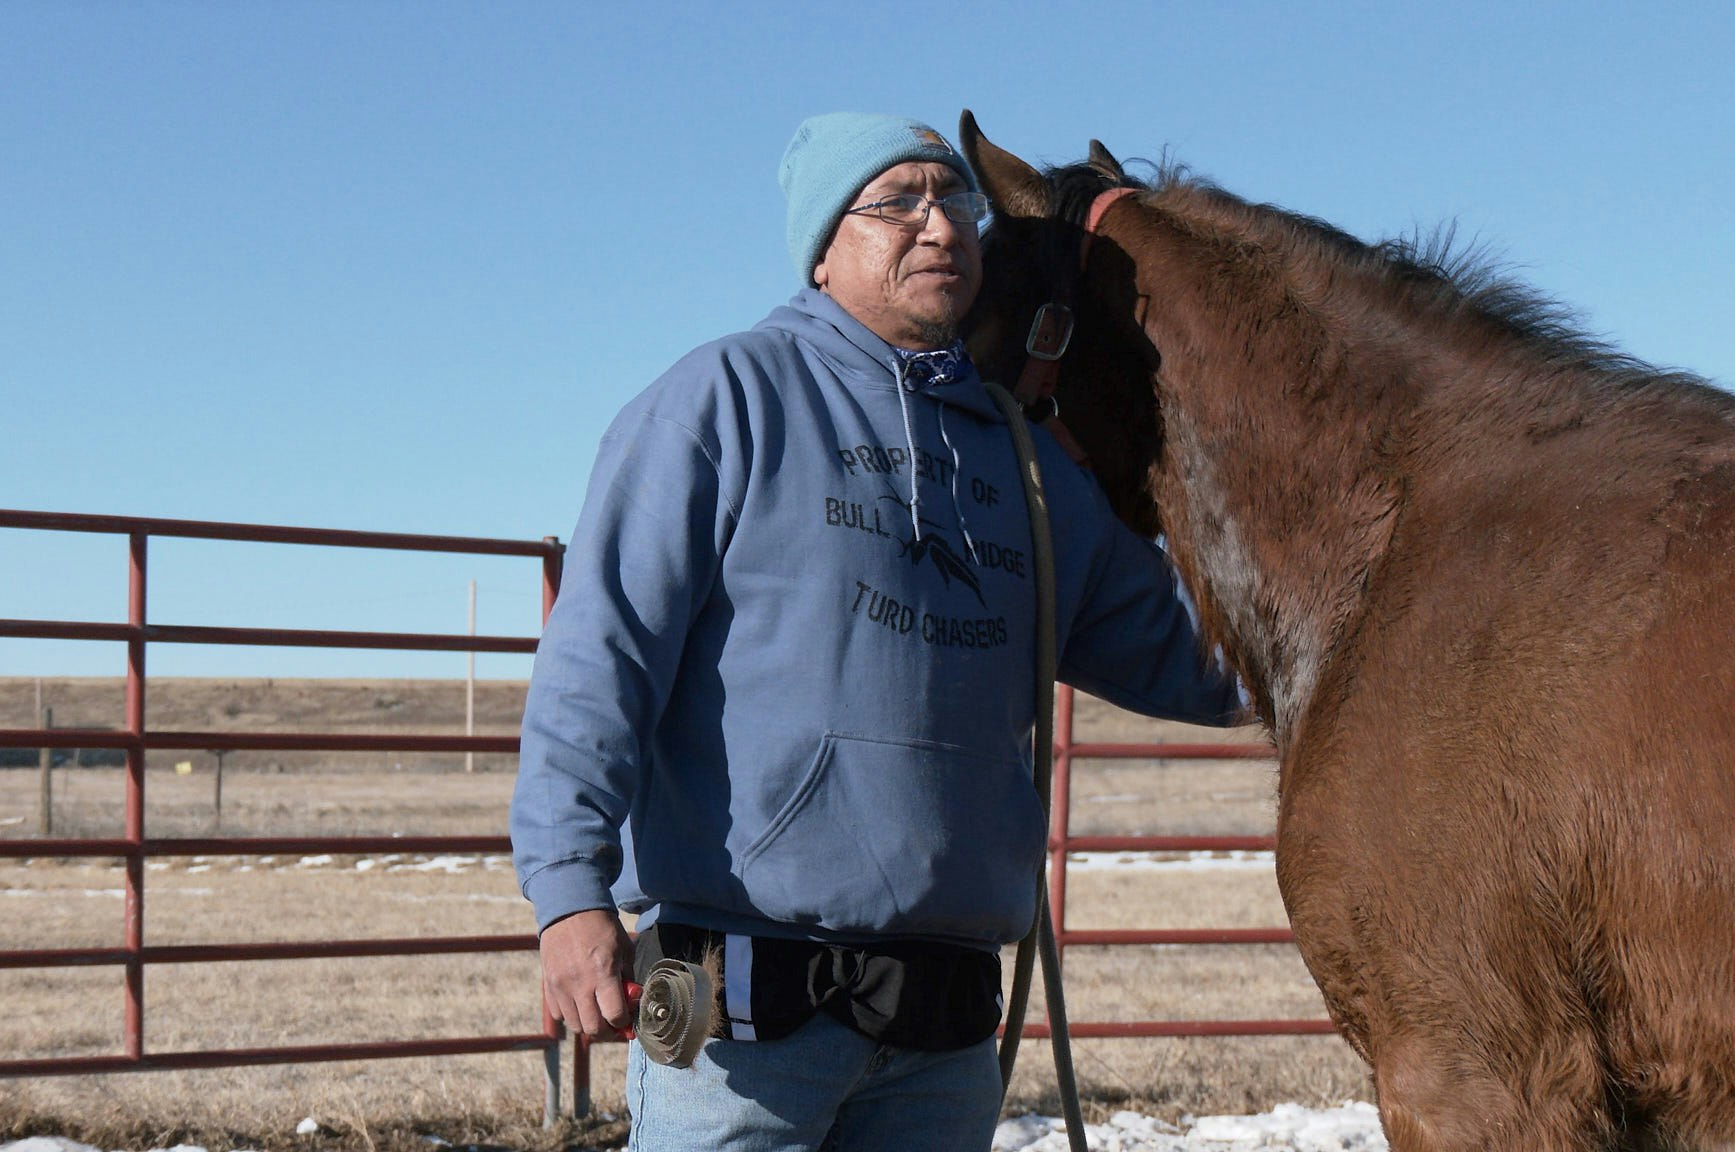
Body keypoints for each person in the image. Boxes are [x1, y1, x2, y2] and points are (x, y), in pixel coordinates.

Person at [511, 112, 1241, 1151]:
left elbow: (1197, 652)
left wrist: (1361, 644)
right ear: (823, 245)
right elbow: (600, 658)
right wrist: (567, 894)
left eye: (955, 202)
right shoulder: (723, 403)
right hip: (732, 1020)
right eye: (897, 201)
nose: (940, 227)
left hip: (940, 1032)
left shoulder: (1022, 468)